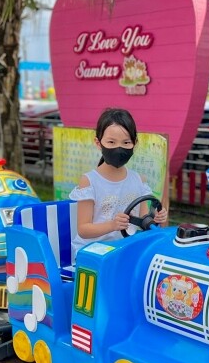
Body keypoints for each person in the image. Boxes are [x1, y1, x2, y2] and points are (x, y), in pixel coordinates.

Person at [69, 107, 168, 259]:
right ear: (98, 143)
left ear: (135, 143)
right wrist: (112, 225)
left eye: (126, 142)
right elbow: (83, 230)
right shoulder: (89, 181)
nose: (119, 148)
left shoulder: (139, 180)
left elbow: (143, 219)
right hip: (93, 251)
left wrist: (155, 218)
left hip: (124, 248)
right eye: (111, 142)